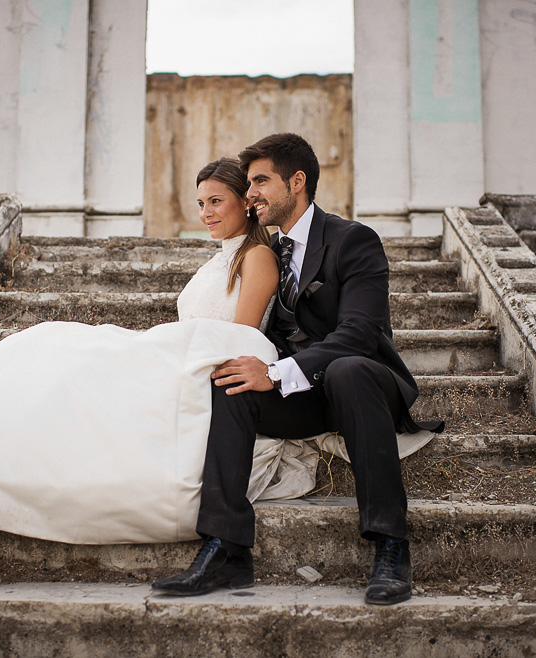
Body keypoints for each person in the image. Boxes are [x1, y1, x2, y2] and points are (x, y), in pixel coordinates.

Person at [0, 157, 281, 544]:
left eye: (216, 201)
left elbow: (240, 338)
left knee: (60, 350)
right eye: (201, 202)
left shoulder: (257, 256)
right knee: (41, 343)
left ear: (245, 202)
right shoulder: (217, 262)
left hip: (193, 369)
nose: (205, 212)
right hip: (178, 354)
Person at [152, 133, 443, 605]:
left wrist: (280, 373)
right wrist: (257, 370)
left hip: (365, 385)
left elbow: (361, 333)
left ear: (298, 181)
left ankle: (391, 546)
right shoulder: (271, 250)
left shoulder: (353, 240)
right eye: (247, 184)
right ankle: (226, 550)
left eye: (261, 181)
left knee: (348, 368)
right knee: (234, 383)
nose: (251, 194)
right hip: (308, 396)